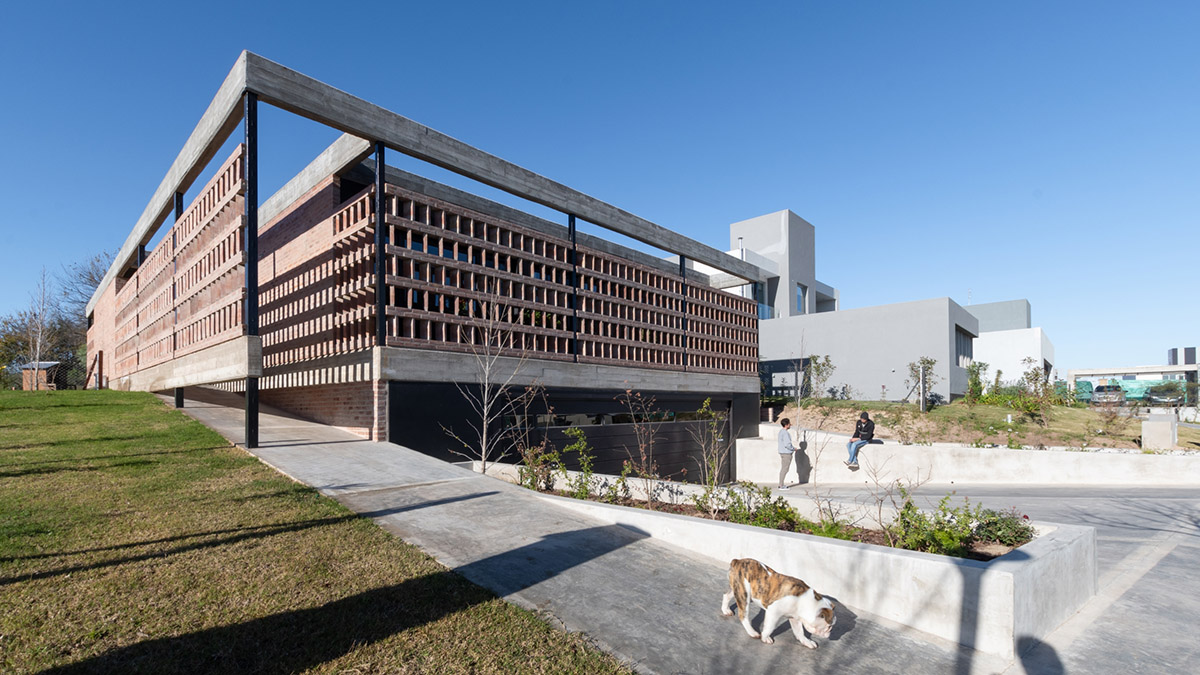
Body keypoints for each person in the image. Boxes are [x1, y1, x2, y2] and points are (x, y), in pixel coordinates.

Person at [777, 418, 796, 489]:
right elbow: (787, 444)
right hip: (786, 453)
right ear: (787, 425)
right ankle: (781, 485)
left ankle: (781, 484)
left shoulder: (781, 432)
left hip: (782, 452)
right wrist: (793, 448)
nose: (790, 425)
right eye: (789, 423)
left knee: (783, 469)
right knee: (785, 469)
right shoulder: (785, 433)